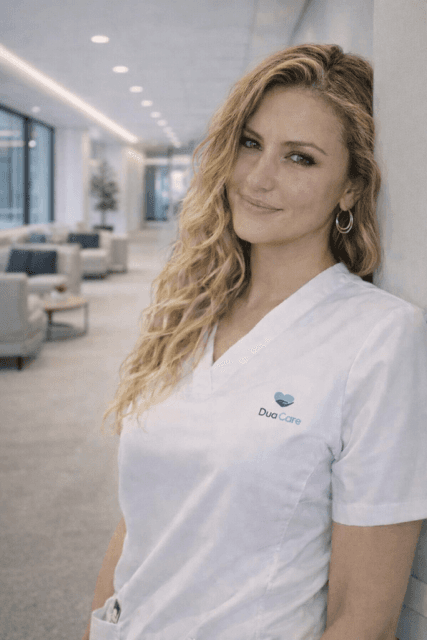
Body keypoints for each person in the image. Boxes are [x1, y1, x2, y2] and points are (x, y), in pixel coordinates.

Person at [82, 44, 427, 640]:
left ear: (350, 189)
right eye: (250, 143)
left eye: (300, 158)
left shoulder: (378, 338)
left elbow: (364, 618)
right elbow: (140, 519)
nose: (258, 178)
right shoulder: (188, 311)